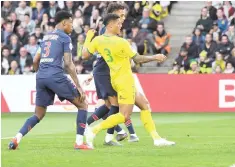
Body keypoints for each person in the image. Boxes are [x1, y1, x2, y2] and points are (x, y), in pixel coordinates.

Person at [82, 13, 175, 148]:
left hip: (115, 78)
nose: (121, 25)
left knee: (144, 105)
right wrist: (155, 57)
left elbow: (84, 55)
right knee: (124, 115)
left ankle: (156, 138)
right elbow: (137, 59)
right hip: (124, 80)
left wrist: (89, 37)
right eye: (118, 23)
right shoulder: (121, 42)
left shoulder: (98, 40)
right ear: (110, 25)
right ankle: (93, 130)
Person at [8, 11, 92, 150]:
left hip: (41, 76)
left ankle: (16, 138)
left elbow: (36, 60)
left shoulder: (46, 37)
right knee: (83, 105)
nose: (72, 26)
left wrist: (41, 74)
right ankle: (78, 143)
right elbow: (69, 64)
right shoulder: (65, 38)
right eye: (71, 23)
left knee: (38, 114)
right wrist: (79, 87)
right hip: (56, 76)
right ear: (64, 23)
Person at [82, 3, 138, 146]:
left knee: (109, 105)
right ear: (113, 14)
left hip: (106, 71)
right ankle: (98, 133)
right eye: (121, 14)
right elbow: (96, 54)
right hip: (104, 71)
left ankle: (90, 128)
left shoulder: (112, 30)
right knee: (114, 105)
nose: (123, 17)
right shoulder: (106, 31)